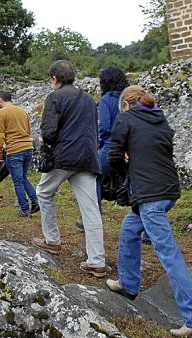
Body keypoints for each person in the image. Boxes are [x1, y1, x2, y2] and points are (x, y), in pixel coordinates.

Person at [105, 85, 192, 338]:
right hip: (168, 191)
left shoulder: (126, 118)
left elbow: (112, 158)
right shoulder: (160, 119)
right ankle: (128, 283)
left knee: (169, 254)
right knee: (130, 228)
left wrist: (125, 160)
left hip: (149, 195)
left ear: (126, 104)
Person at [30, 60, 106, 278]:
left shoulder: (54, 97)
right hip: (89, 158)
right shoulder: (89, 100)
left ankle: (52, 240)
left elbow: (49, 132)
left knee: (43, 192)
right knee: (90, 209)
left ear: (55, 78)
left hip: (64, 158)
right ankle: (97, 261)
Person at [76, 66, 129, 230]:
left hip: (111, 146)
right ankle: (146, 229)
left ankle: (92, 218)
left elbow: (105, 127)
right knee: (136, 184)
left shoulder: (106, 100)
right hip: (130, 148)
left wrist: (99, 145)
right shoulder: (126, 98)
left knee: (93, 176)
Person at [0, 90, 38, 217]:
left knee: (18, 181)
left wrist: (0, 153)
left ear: (0, 100)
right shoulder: (23, 112)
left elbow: (0, 136)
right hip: (28, 148)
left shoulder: (1, 113)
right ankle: (35, 202)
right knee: (23, 178)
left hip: (14, 150)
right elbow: (29, 131)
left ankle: (24, 209)